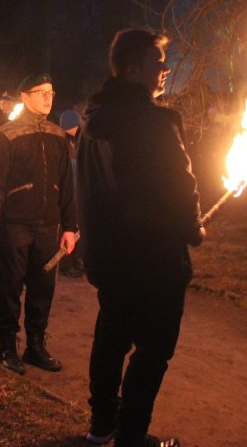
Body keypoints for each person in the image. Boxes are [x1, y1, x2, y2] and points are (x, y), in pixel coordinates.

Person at [76, 28, 204, 447]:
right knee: (153, 349)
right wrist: (192, 228)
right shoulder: (156, 122)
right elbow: (178, 187)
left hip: (111, 257)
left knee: (111, 335)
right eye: (157, 62)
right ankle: (130, 436)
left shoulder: (92, 122)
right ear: (134, 68)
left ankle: (101, 428)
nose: (164, 69)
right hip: (154, 258)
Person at [0, 73, 77, 375]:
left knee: (43, 288)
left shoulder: (58, 136)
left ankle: (35, 346)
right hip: (15, 226)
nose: (48, 98)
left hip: (48, 228)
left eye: (51, 92)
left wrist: (70, 228)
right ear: (24, 96)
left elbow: (67, 186)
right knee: (10, 286)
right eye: (41, 92)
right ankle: (7, 345)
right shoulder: (6, 135)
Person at [58, 108, 85, 278]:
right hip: (68, 196)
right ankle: (66, 263)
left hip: (78, 195)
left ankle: (77, 260)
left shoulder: (78, 144)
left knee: (78, 230)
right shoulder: (62, 146)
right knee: (68, 229)